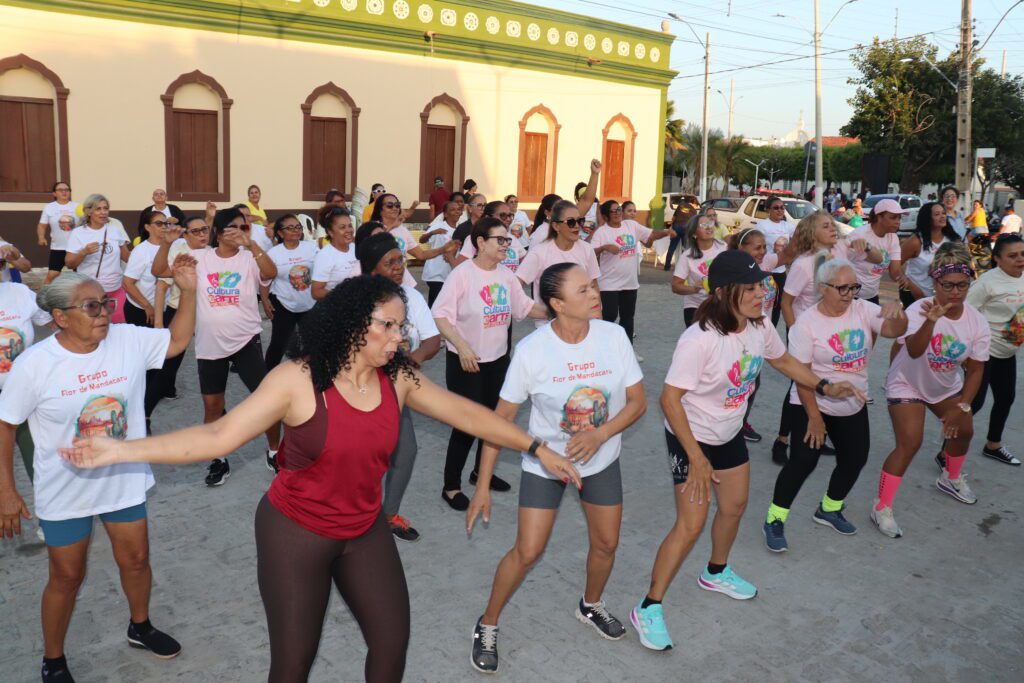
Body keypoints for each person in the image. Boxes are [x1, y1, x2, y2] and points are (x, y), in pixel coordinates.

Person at [58, 274, 580, 683]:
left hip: (363, 529)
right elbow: (217, 439)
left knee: (392, 641)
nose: (402, 339)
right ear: (356, 325)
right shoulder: (297, 380)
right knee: (293, 663)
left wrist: (537, 447)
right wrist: (120, 448)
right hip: (295, 534)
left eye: (403, 327)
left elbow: (468, 415)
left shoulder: (397, 378)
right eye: (390, 326)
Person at [629, 250, 863, 652]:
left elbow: (784, 360)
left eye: (763, 285)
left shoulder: (757, 327)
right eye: (752, 288)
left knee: (734, 507)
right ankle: (648, 607)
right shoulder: (699, 339)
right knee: (691, 524)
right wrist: (697, 458)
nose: (762, 294)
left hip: (728, 432)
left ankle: (715, 572)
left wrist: (824, 386)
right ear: (723, 292)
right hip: (691, 435)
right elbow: (669, 401)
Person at [0, 265, 197, 683]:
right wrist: (6, 490)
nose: (105, 312)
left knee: (137, 559)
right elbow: (5, 424)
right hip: (65, 487)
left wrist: (190, 292)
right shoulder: (35, 364)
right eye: (92, 306)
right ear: (61, 317)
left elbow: (178, 342)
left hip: (123, 480)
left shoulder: (126, 340)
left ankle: (139, 626)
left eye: (106, 304)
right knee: (67, 576)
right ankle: (53, 659)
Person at [466, 263, 647, 674]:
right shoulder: (532, 352)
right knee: (528, 551)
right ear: (558, 304)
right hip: (546, 464)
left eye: (593, 286)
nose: (595, 293)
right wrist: (481, 485)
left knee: (606, 545)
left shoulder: (613, 336)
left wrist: (602, 435)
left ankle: (590, 604)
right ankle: (488, 622)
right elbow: (500, 419)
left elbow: (638, 402)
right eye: (583, 290)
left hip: (601, 461)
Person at [763, 258, 908, 552]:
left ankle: (829, 508)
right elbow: (801, 377)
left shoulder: (863, 309)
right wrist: (815, 419)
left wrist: (898, 314)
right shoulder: (806, 325)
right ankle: (775, 518)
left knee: (855, 458)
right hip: (811, 401)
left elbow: (894, 331)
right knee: (804, 461)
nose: (849, 294)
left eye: (853, 287)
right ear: (822, 288)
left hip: (852, 401)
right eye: (842, 288)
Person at [150, 207, 280, 485]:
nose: (240, 231)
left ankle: (275, 451)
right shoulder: (200, 257)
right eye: (234, 227)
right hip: (210, 343)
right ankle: (218, 460)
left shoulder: (249, 257)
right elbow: (159, 270)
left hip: (247, 340)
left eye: (244, 227)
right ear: (219, 233)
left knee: (268, 400)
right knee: (212, 406)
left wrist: (252, 243)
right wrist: (167, 242)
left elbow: (271, 271)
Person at [872, 242, 990, 538]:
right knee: (910, 442)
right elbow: (913, 350)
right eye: (947, 285)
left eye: (962, 285)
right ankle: (881, 506)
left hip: (945, 386)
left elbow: (975, 369)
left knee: (964, 431)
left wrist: (961, 407)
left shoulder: (977, 323)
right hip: (907, 382)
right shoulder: (918, 309)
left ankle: (950, 478)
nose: (955, 292)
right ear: (935, 282)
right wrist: (931, 321)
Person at [432, 218, 548, 510]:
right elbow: (440, 315)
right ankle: (451, 486)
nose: (506, 246)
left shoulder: (506, 277)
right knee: (468, 425)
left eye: (508, 241)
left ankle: (480, 473)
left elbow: (525, 307)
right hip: (466, 362)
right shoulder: (462, 275)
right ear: (480, 242)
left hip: (497, 361)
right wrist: (461, 346)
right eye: (500, 240)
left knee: (495, 420)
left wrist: (561, 309)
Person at [773, 210, 881, 464]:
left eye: (832, 225)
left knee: (828, 382)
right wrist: (794, 332)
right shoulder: (803, 264)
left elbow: (879, 259)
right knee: (799, 385)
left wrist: (865, 247)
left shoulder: (843, 250)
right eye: (825, 226)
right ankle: (782, 440)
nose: (833, 229)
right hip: (808, 332)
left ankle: (820, 435)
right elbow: (786, 302)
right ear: (813, 233)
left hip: (835, 332)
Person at [358, 233, 442, 542]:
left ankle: (388, 514)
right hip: (359, 386)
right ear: (371, 269)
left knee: (405, 451)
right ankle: (352, 515)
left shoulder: (411, 296)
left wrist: (412, 361)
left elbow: (433, 340)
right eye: (389, 262)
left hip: (396, 387)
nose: (398, 267)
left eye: (400, 260)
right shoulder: (357, 298)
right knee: (357, 454)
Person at [728, 228, 797, 442]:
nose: (762, 252)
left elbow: (788, 254)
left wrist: (806, 228)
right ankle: (730, 425)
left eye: (764, 247)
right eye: (757, 247)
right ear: (741, 248)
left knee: (752, 382)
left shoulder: (764, 263)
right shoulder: (732, 270)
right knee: (736, 382)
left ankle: (738, 423)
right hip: (735, 335)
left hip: (758, 333)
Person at [963, 233, 1024, 465]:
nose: (1019, 259)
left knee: (1006, 398)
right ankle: (947, 452)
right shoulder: (987, 282)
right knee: (972, 404)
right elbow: (966, 314)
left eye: (1022, 254)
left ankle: (993, 445)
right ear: (997, 258)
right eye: (1012, 256)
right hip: (982, 354)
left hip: (1007, 353)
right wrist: (966, 352)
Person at [591, 200, 671, 356]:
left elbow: (651, 234)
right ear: (606, 215)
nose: (618, 213)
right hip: (609, 284)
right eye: (614, 211)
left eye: (619, 209)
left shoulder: (631, 226)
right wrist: (605, 247)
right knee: (610, 316)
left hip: (630, 283)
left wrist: (667, 232)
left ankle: (627, 351)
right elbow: (591, 252)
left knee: (628, 319)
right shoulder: (602, 232)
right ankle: (604, 350)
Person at [123, 211, 174, 432]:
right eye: (159, 223)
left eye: (166, 223)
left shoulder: (174, 244)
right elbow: (128, 282)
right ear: (147, 227)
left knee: (161, 359)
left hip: (163, 309)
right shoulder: (141, 252)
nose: (164, 227)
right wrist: (147, 305)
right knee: (144, 360)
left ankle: (150, 400)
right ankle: (139, 410)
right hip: (140, 310)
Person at [0, 277, 53, 486]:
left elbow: (54, 322)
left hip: (22, 391)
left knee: (37, 457)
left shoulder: (18, 292)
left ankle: (51, 508)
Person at [153, 215, 210, 401]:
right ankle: (152, 398)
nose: (202, 235)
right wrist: (159, 324)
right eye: (196, 231)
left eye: (205, 230)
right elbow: (161, 287)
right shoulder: (178, 252)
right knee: (170, 358)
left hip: (205, 313)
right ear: (185, 236)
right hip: (179, 310)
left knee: (209, 356)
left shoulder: (212, 252)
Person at [517, 200, 601, 325]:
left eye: (580, 221)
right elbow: (515, 286)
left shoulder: (586, 249)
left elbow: (594, 286)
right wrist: (544, 312)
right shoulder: (539, 253)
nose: (577, 226)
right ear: (556, 226)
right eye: (571, 222)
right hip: (550, 329)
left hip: (582, 326)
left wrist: (598, 318)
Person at [65, 194, 132, 324]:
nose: (103, 212)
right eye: (98, 209)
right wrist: (84, 252)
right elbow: (69, 263)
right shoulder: (78, 233)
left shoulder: (114, 231)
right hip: (90, 291)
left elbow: (126, 257)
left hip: (115, 289)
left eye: (105, 208)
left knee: (118, 328)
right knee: (93, 327)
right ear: (88, 211)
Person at [264, 214, 319, 370]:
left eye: (298, 227)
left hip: (309, 303)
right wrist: (265, 299)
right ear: (280, 233)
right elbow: (265, 278)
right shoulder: (274, 253)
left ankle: (313, 375)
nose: (296, 230)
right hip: (283, 302)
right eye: (290, 228)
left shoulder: (311, 248)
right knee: (279, 343)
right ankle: (267, 377)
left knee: (313, 341)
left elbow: (322, 271)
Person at [370, 192, 446, 284]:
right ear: (380, 209)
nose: (394, 208)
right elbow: (372, 250)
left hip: (401, 280)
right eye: (389, 205)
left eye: (397, 205)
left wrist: (443, 249)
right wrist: (392, 226)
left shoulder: (402, 230)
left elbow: (421, 254)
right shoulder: (372, 228)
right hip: (380, 281)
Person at [672, 211, 728, 328]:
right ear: (694, 234)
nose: (708, 227)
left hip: (720, 305)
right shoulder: (688, 256)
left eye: (710, 223)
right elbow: (675, 286)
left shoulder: (723, 248)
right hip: (696, 306)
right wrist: (694, 288)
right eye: (703, 226)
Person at [899, 202, 961, 307]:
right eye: (937, 214)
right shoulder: (916, 241)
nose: (942, 216)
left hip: (943, 295)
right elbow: (895, 263)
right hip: (915, 294)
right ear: (927, 218)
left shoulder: (952, 240)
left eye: (943, 213)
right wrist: (907, 282)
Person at [528, 160, 602, 244]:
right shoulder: (540, 234)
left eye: (563, 207)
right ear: (547, 213)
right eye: (557, 209)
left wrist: (594, 174)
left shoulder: (566, 222)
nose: (576, 225)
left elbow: (587, 201)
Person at [846, 198, 905, 304]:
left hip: (872, 296)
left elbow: (894, 272)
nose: (898, 222)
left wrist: (902, 278)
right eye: (893, 217)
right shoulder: (859, 235)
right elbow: (838, 264)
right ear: (879, 217)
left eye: (899, 218)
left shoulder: (893, 237)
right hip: (850, 296)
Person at [755, 196, 796, 320]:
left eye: (782, 208)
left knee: (778, 304)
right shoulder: (762, 226)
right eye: (776, 208)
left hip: (780, 272)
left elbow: (799, 240)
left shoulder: (787, 226)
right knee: (765, 303)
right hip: (766, 271)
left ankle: (773, 329)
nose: (780, 210)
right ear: (768, 210)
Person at [36, 182, 80, 285]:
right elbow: (42, 225)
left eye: (67, 189)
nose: (64, 192)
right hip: (58, 248)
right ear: (54, 193)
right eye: (61, 190)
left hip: (77, 247)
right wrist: (41, 238)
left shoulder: (78, 207)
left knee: (80, 274)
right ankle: (42, 298)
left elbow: (87, 223)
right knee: (52, 274)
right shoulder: (49, 207)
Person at [420, 200, 462, 306]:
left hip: (450, 273)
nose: (456, 212)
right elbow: (422, 240)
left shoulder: (461, 229)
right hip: (435, 273)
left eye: (458, 209)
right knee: (435, 304)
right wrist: (432, 232)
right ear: (445, 214)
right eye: (452, 210)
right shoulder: (439, 226)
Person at [311, 208, 357, 300]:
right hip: (336, 308)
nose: (349, 230)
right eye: (342, 227)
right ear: (330, 232)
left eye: (350, 226)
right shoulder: (325, 256)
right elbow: (316, 292)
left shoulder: (355, 248)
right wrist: (342, 296)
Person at [663, 197, 699, 271]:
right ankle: (684, 267)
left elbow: (673, 218)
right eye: (697, 205)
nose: (697, 206)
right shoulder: (694, 210)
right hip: (686, 228)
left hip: (676, 226)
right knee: (685, 249)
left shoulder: (681, 206)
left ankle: (667, 267)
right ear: (694, 203)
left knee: (672, 247)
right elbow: (694, 223)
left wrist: (671, 227)